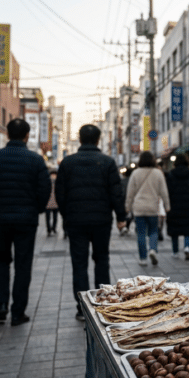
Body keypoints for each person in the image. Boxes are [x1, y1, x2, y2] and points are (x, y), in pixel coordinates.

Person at [0, 119, 50, 326]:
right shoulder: (35, 160)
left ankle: (1, 305)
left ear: (7, 135)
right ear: (27, 136)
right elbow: (44, 189)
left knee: (1, 260)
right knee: (23, 265)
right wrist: (37, 209)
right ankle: (18, 312)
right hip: (26, 219)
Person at [56, 125, 127, 320]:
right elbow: (116, 192)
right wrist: (120, 216)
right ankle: (102, 303)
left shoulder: (68, 163)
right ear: (98, 139)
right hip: (101, 220)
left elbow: (60, 194)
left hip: (76, 221)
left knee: (79, 264)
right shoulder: (107, 162)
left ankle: (82, 307)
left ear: (79, 139)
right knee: (101, 260)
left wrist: (66, 214)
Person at [125, 151, 170, 266]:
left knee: (140, 233)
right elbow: (164, 191)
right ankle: (153, 250)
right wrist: (167, 205)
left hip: (139, 208)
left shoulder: (135, 173)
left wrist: (127, 206)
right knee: (153, 231)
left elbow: (130, 192)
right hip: (152, 207)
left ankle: (143, 258)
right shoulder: (158, 173)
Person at [165, 154, 189, 260]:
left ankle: (175, 251)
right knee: (188, 228)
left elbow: (167, 191)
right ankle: (187, 247)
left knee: (174, 230)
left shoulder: (171, 174)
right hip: (188, 205)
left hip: (174, 205)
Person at [46, 169, 59, 236]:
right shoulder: (47, 182)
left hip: (54, 203)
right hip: (49, 203)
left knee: (54, 217)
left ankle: (53, 228)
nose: (53, 176)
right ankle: (50, 229)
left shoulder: (58, 183)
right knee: (50, 217)